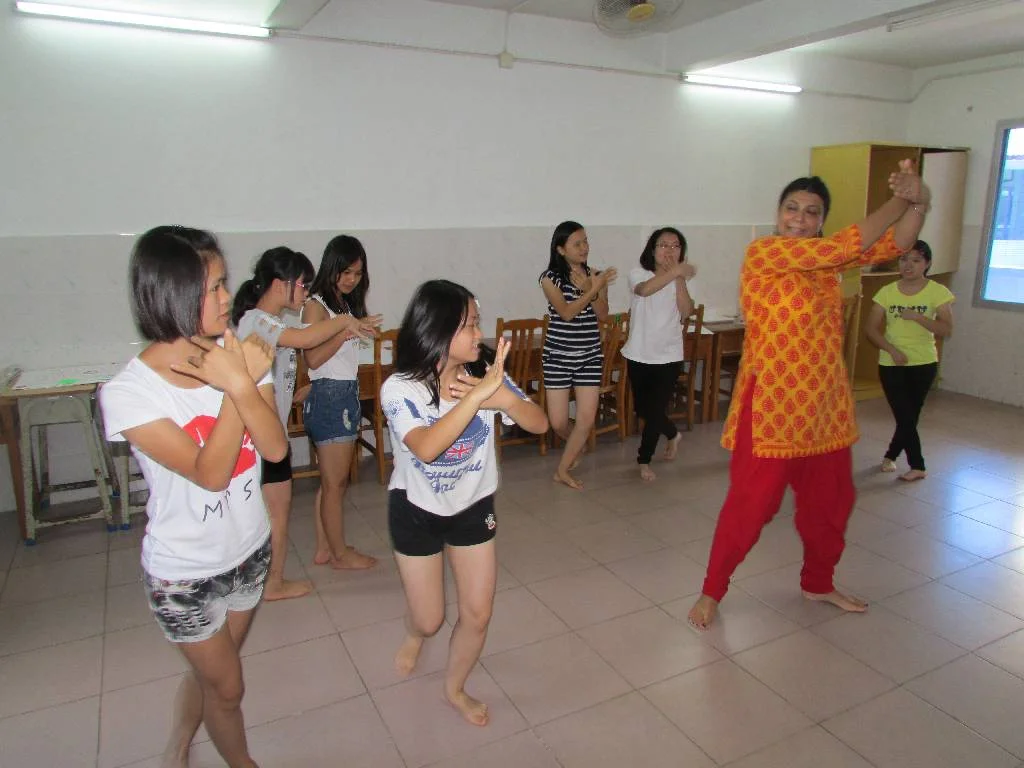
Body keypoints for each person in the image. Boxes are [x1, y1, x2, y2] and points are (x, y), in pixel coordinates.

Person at [688, 159, 932, 631]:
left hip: (824, 407)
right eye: (792, 208)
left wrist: (920, 202)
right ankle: (711, 590)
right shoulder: (765, 252)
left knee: (832, 502)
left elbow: (897, 243)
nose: (799, 218)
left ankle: (818, 582)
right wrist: (900, 198)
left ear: (822, 220)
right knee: (752, 505)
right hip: (773, 404)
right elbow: (848, 243)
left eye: (811, 212)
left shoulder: (827, 263)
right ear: (778, 213)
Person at [100, 226, 289, 768]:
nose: (228, 298)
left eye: (224, 283)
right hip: (185, 576)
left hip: (249, 552)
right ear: (171, 295)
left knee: (212, 674)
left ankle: (180, 740)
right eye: (213, 288)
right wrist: (238, 385)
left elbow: (275, 448)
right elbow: (210, 474)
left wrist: (242, 377)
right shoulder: (130, 393)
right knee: (228, 687)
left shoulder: (238, 353)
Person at [380, 280, 547, 726]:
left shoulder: (487, 374)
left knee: (478, 613)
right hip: (416, 510)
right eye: (470, 324)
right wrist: (476, 397)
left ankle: (454, 687)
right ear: (438, 329)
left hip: (473, 506)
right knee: (430, 619)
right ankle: (416, 631)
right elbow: (427, 447)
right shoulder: (401, 388)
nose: (479, 333)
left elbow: (539, 424)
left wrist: (504, 396)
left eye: (477, 321)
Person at [232, 246, 382, 599]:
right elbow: (306, 341)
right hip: (257, 436)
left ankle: (272, 578)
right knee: (276, 510)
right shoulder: (257, 320)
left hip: (270, 431)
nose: (305, 292)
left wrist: (308, 387)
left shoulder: (272, 323)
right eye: (301, 284)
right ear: (279, 284)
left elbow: (289, 360)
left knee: (278, 507)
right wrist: (344, 322)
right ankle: (272, 582)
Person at [301, 234, 380, 570]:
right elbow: (313, 359)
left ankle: (325, 548)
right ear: (331, 268)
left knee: (331, 482)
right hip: (331, 396)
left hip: (341, 392)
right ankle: (339, 554)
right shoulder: (316, 305)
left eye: (357, 274)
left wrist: (352, 327)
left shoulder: (340, 304)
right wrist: (346, 331)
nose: (351, 279)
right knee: (336, 484)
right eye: (345, 272)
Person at [865, 240, 954, 482]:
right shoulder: (887, 292)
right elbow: (870, 329)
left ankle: (891, 455)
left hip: (924, 362)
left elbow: (946, 329)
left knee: (909, 416)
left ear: (927, 264)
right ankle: (918, 464)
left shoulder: (938, 292)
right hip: (892, 362)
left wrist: (918, 317)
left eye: (916, 260)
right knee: (904, 414)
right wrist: (891, 350)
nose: (908, 265)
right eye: (904, 259)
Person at [539, 221, 617, 490]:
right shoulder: (549, 279)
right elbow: (566, 313)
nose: (584, 248)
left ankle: (562, 470)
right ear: (561, 249)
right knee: (558, 421)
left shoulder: (596, 275)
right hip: (558, 356)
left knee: (585, 418)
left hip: (590, 355)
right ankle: (576, 444)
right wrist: (591, 289)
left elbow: (603, 315)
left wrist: (594, 288)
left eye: (586, 241)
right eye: (577, 243)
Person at [621, 227, 697, 481]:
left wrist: (679, 278)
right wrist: (676, 271)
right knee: (643, 409)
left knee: (654, 411)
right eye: (664, 245)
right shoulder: (638, 274)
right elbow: (644, 290)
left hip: (669, 356)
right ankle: (673, 433)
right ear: (652, 250)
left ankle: (644, 459)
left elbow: (686, 311)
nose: (669, 251)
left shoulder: (679, 279)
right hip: (639, 353)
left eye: (675, 246)